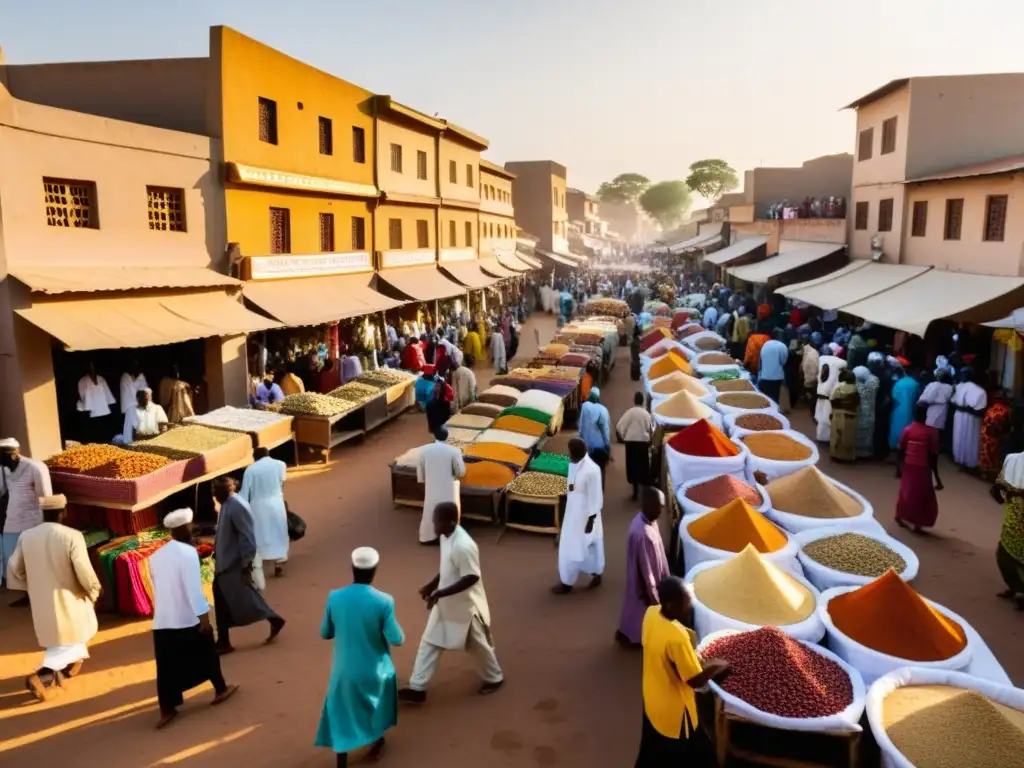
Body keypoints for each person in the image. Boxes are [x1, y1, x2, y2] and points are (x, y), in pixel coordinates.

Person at [399, 502, 503, 703]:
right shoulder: (446, 537)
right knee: (429, 641)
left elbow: (471, 577)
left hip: (465, 607)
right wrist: (432, 585)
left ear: (451, 521)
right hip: (446, 604)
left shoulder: (464, 546)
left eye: (437, 521)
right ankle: (417, 687)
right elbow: (447, 567)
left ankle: (495, 678)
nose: (434, 525)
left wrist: (440, 593)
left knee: (477, 645)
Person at [6, 494, 101, 701]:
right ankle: (41, 676)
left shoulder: (27, 536)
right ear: (63, 512)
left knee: (59, 639)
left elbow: (14, 567)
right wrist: (93, 590)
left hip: (41, 602)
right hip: (69, 598)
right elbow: (84, 571)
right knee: (79, 634)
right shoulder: (72, 536)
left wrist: (30, 586)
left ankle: (63, 669)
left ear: (43, 514)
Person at [149, 507, 237, 729]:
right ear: (184, 529)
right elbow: (194, 590)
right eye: (191, 526)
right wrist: (204, 619)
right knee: (207, 653)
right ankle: (220, 689)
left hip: (163, 620)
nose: (194, 528)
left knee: (167, 667)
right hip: (187, 617)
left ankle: (167, 708)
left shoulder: (156, 557)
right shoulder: (188, 554)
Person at [316, 547, 404, 766]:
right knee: (380, 702)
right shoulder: (384, 601)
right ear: (375, 570)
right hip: (375, 670)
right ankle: (377, 740)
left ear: (352, 568)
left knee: (341, 713)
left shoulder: (335, 597)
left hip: (343, 671)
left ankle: (342, 761)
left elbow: (325, 632)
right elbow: (397, 639)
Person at [635, 576, 731, 765]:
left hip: (652, 696)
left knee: (652, 748)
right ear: (670, 605)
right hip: (675, 710)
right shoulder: (677, 639)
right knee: (693, 754)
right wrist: (716, 666)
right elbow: (695, 680)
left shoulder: (652, 613)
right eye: (686, 603)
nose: (689, 606)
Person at [211, 477, 286, 654]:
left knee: (242, 599)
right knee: (232, 600)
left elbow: (248, 537)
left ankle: (225, 640)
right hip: (225, 564)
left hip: (234, 565)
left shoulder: (237, 505)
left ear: (229, 489)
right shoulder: (226, 505)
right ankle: (224, 640)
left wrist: (246, 564)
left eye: (217, 491)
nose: (214, 494)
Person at [1, 438, 53, 607]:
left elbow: (46, 497)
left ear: (13, 455)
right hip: (13, 521)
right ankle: (28, 595)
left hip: (34, 520)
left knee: (36, 559)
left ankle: (43, 596)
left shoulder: (35, 467)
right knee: (15, 561)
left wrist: (46, 524)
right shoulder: (3, 469)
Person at [616, 488, 670, 649]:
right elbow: (646, 569)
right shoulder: (643, 533)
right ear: (648, 505)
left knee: (632, 608)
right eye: (659, 506)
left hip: (648, 579)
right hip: (645, 583)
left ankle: (625, 632)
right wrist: (651, 592)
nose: (662, 511)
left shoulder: (647, 521)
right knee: (642, 612)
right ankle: (632, 638)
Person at [553, 438, 604, 594]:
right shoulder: (573, 464)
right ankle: (566, 582)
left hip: (585, 517)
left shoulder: (592, 470)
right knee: (568, 549)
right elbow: (572, 488)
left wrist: (591, 520)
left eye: (570, 451)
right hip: (572, 514)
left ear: (579, 452)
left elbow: (596, 497)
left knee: (584, 548)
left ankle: (596, 573)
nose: (568, 454)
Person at [239, 447, 289, 586]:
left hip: (258, 507)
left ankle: (258, 565)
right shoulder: (280, 464)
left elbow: (244, 494)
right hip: (277, 503)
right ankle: (279, 562)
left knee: (260, 534)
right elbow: (281, 483)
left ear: (255, 457)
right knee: (279, 531)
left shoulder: (250, 470)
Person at [416, 426, 466, 545]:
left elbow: (420, 476)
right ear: (447, 437)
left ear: (434, 436)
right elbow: (461, 472)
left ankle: (427, 538)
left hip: (431, 489)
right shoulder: (454, 451)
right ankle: (450, 537)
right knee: (450, 513)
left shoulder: (424, 451)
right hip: (449, 488)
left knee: (430, 512)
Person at [896, 404, 943, 533]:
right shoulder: (932, 432)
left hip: (909, 465)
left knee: (906, 492)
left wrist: (899, 467)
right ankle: (917, 523)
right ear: (926, 416)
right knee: (922, 495)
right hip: (922, 467)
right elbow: (934, 457)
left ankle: (900, 515)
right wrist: (937, 477)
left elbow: (900, 449)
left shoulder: (908, 430)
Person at [992, 451, 1024, 611]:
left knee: (1004, 554)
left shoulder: (1011, 459)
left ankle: (1019, 590)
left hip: (1013, 515)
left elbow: (997, 489)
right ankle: (1017, 588)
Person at [616, 392, 654, 500]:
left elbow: (619, 426)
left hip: (631, 443)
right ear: (642, 401)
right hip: (642, 444)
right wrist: (649, 439)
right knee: (643, 466)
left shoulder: (629, 413)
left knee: (632, 466)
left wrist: (623, 437)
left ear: (634, 400)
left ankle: (635, 490)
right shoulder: (646, 414)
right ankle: (645, 491)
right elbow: (651, 429)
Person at [951, 367, 988, 469]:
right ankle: (968, 461)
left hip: (964, 416)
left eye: (963, 374)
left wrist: (963, 408)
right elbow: (981, 408)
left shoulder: (960, 387)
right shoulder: (978, 390)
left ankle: (962, 459)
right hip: (969, 417)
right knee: (968, 438)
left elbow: (953, 402)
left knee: (963, 437)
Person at [579, 387, 612, 488]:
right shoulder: (603, 410)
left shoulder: (584, 406)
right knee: (600, 471)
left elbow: (580, 427)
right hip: (600, 448)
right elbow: (605, 430)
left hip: (586, 447)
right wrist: (607, 446)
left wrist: (581, 440)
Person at [77, 362, 117, 443]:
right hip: (92, 412)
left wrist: (109, 403)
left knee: (105, 432)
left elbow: (107, 392)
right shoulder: (83, 380)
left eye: (93, 367)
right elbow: (82, 396)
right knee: (94, 433)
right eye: (90, 367)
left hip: (104, 410)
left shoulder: (101, 379)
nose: (92, 369)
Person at [888, 361, 922, 452]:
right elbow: (918, 400)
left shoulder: (898, 382)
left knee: (896, 428)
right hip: (910, 411)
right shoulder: (915, 384)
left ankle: (895, 446)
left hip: (896, 411)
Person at [829, 370, 861, 462]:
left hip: (838, 414)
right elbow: (857, 404)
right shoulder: (856, 389)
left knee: (836, 435)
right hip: (851, 416)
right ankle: (846, 456)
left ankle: (835, 454)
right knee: (848, 436)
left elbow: (833, 401)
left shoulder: (839, 388)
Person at [814, 353, 846, 443]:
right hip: (827, 398)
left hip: (823, 398)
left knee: (823, 419)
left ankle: (822, 436)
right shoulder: (837, 368)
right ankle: (825, 437)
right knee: (825, 419)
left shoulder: (823, 363)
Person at [853, 366, 880, 459]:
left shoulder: (855, 386)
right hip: (869, 414)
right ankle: (865, 452)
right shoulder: (872, 385)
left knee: (858, 431)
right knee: (868, 432)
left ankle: (856, 451)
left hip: (858, 413)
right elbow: (875, 380)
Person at [758, 329, 789, 405]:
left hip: (764, 376)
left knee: (765, 401)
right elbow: (783, 362)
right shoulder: (782, 346)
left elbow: (761, 360)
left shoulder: (765, 344)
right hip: (777, 377)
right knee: (775, 401)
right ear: (780, 336)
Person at [918, 369, 954, 433]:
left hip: (934, 410)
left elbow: (922, 401)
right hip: (941, 410)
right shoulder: (950, 387)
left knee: (931, 430)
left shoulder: (932, 385)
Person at [801, 333, 821, 408]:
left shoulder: (809, 352)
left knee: (811, 393)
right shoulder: (815, 352)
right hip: (814, 378)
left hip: (810, 379)